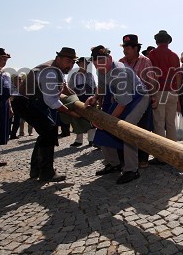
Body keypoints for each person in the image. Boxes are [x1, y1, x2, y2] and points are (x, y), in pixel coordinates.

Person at [11, 47, 81, 182]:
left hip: (33, 102)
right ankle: (46, 172)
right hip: (26, 102)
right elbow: (51, 100)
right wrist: (70, 112)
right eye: (68, 61)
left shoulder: (57, 70)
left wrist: (76, 99)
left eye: (72, 63)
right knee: (49, 131)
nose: (70, 65)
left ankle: (36, 169)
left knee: (47, 131)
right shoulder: (50, 72)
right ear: (58, 58)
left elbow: (64, 89)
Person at [86, 45, 149, 184]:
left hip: (139, 97)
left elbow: (124, 102)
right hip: (122, 98)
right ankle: (114, 164)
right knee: (102, 128)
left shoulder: (120, 71)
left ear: (110, 58)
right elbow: (102, 87)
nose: (99, 69)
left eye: (101, 65)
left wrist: (107, 121)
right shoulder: (101, 69)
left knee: (126, 129)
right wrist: (95, 98)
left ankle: (132, 170)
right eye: (96, 66)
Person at [119, 34, 157, 168]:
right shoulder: (121, 62)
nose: (125, 50)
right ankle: (127, 160)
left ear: (136, 48)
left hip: (142, 99)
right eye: (124, 47)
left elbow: (151, 81)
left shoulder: (145, 61)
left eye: (128, 47)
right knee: (126, 129)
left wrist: (153, 97)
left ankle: (143, 159)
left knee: (143, 130)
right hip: (126, 101)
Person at [147, 30, 181, 142]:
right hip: (172, 91)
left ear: (156, 41)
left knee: (159, 123)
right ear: (168, 41)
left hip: (160, 91)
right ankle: (172, 151)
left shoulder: (153, 54)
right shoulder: (174, 56)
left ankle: (161, 155)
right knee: (171, 123)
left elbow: (154, 75)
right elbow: (178, 77)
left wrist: (152, 93)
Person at [67, 56, 97, 147]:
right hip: (78, 98)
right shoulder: (73, 75)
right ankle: (78, 140)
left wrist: (95, 98)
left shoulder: (90, 75)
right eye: (82, 63)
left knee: (91, 119)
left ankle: (91, 140)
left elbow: (94, 87)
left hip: (89, 98)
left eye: (86, 64)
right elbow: (70, 87)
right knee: (77, 119)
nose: (85, 65)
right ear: (79, 64)